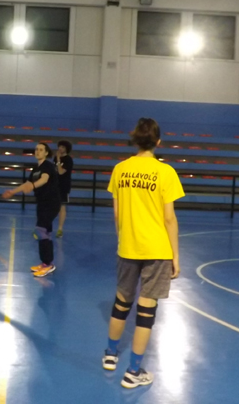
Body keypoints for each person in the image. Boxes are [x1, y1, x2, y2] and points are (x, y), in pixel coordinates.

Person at [101, 118, 184, 389]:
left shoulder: (120, 169)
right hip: (156, 250)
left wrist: (123, 239)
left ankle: (110, 355)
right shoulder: (166, 172)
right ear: (158, 142)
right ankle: (133, 372)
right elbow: (169, 219)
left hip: (128, 247)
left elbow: (116, 214)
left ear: (135, 139)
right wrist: (175, 256)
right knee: (146, 311)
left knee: (121, 303)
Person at [2, 143, 61, 277]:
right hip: (42, 203)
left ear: (46, 153)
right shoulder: (35, 169)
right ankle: (45, 263)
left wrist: (33, 186)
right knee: (46, 231)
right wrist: (12, 191)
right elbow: (27, 184)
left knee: (40, 230)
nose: (37, 151)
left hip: (51, 202)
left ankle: (48, 264)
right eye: (36, 149)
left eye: (41, 150)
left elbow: (44, 179)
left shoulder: (48, 166)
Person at [54, 140, 74, 237]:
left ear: (66, 149)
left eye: (63, 147)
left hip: (63, 186)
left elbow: (61, 172)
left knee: (62, 206)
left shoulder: (68, 160)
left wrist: (58, 160)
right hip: (54, 185)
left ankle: (60, 229)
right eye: (60, 146)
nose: (60, 149)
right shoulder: (55, 158)